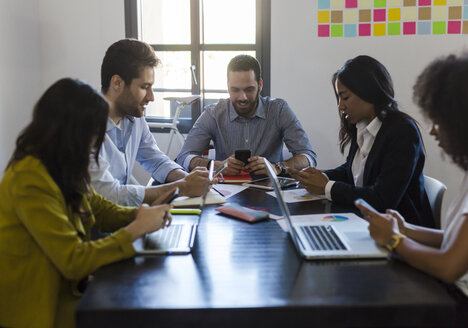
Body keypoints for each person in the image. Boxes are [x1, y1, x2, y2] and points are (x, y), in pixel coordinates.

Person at [0, 78, 175, 328]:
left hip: (67, 294)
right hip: (37, 308)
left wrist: (142, 214)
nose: (97, 145)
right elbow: (73, 260)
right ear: (70, 134)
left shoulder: (61, 166)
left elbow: (100, 209)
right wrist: (136, 228)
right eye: (93, 136)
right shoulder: (29, 179)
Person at [355, 52, 468, 328]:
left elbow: (449, 266)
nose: (432, 131)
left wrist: (395, 240)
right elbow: (454, 240)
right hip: (457, 296)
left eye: (439, 122)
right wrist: (405, 228)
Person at [288, 55, 434, 228]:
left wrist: (327, 187)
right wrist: (316, 176)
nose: (340, 106)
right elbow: (353, 171)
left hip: (401, 233)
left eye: (345, 97)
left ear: (368, 91)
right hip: (366, 224)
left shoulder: (402, 131)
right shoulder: (363, 125)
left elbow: (382, 199)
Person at [90, 38, 209, 206]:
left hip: (119, 218)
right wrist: (183, 187)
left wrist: (188, 179)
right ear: (117, 83)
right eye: (144, 87)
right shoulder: (85, 125)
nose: (151, 97)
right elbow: (108, 195)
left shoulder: (134, 117)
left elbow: (155, 158)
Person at [175, 54, 317, 177]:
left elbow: (309, 157)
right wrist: (219, 166)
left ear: (260, 85)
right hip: (226, 194)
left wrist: (277, 167)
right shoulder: (213, 113)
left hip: (270, 191)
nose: (242, 97)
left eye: (249, 89)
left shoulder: (279, 110)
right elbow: (183, 158)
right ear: (227, 86)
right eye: (235, 90)